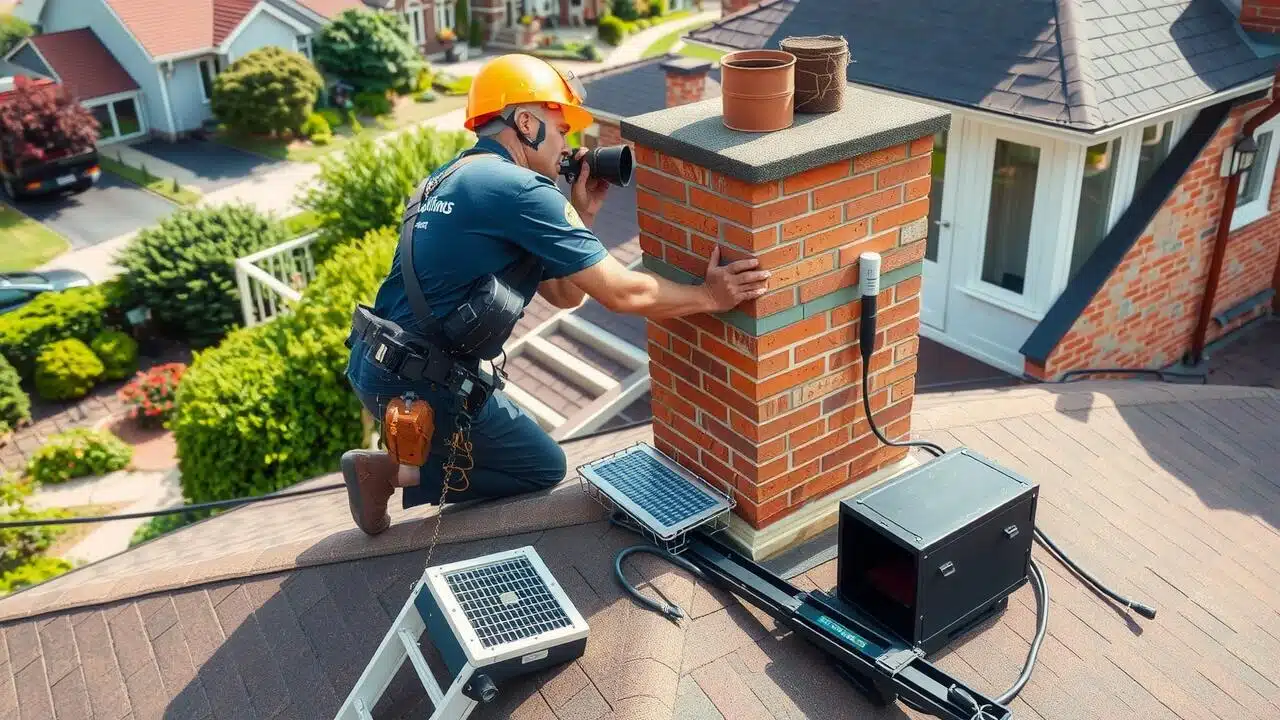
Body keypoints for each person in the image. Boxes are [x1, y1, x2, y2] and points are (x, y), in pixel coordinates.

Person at [340, 53, 771, 536]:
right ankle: (394, 474)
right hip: (420, 382)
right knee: (541, 467)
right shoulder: (520, 190)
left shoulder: (450, 177)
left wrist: (580, 213)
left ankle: (390, 471)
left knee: (529, 457)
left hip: (378, 362)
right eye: (561, 128)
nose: (570, 143)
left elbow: (566, 296)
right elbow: (623, 293)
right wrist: (711, 297)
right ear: (526, 123)